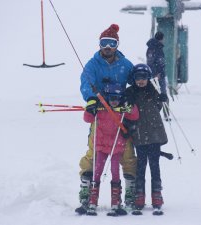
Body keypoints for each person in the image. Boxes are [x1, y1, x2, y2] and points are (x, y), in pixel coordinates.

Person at [76, 24, 136, 215]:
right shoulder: (92, 64)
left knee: (126, 154)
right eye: (104, 43)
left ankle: (130, 194)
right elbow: (86, 83)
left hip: (119, 118)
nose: (108, 47)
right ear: (99, 45)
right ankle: (86, 192)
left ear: (117, 45)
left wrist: (130, 100)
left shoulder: (125, 65)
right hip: (100, 116)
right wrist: (91, 99)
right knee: (93, 153)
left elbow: (137, 83)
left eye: (112, 43)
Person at [84, 83, 139, 216]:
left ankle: (116, 202)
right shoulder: (101, 108)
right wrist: (90, 108)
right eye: (111, 98)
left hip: (116, 145)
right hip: (102, 145)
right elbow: (87, 118)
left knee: (115, 171)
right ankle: (92, 201)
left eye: (117, 98)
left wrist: (130, 106)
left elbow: (135, 115)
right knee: (97, 171)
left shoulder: (122, 110)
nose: (114, 101)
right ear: (107, 97)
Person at [124, 64, 168, 215]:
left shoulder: (154, 89)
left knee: (154, 165)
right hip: (140, 134)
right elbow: (127, 110)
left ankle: (157, 196)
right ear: (134, 79)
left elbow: (158, 106)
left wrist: (163, 98)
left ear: (148, 78)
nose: (141, 81)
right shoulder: (130, 92)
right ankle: (139, 196)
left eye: (143, 78)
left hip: (155, 133)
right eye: (138, 78)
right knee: (141, 166)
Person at [146, 31, 170, 121]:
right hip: (158, 76)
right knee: (162, 94)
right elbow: (155, 63)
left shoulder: (152, 48)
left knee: (156, 94)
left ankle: (156, 114)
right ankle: (164, 114)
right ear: (161, 38)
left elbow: (151, 62)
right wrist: (158, 73)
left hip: (155, 75)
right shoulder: (156, 48)